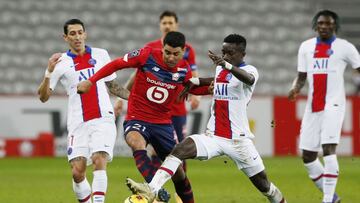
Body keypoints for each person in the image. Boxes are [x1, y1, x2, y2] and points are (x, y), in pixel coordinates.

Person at [126, 34, 287, 203]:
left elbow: (249, 79)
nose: (225, 56)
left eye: (230, 53)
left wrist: (225, 64)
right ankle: (152, 189)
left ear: (242, 54)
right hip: (214, 137)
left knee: (265, 186)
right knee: (179, 150)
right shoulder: (221, 69)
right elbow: (217, 80)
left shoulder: (249, 71)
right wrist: (195, 81)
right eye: (223, 52)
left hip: (239, 142)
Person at [77, 31, 210, 203]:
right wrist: (91, 81)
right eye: (167, 52)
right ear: (162, 48)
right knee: (135, 141)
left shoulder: (184, 69)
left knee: (179, 173)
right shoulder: (147, 55)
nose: (170, 57)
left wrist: (209, 90)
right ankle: (155, 189)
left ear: (183, 51)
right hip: (137, 117)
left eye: (175, 54)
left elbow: (192, 89)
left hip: (162, 123)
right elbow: (116, 64)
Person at [37, 19, 129, 203]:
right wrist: (48, 73)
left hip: (103, 116)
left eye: (80, 32)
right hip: (78, 121)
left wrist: (135, 99)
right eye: (72, 33)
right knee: (77, 172)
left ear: (85, 34)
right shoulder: (60, 62)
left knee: (98, 158)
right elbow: (43, 96)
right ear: (65, 37)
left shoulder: (101, 54)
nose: (77, 37)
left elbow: (113, 86)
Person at [114, 10, 200, 172]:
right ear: (160, 26)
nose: (167, 26)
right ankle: (155, 190)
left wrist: (195, 94)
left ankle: (177, 194)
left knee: (179, 150)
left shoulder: (187, 50)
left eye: (170, 23)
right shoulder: (150, 48)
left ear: (177, 25)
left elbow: (193, 75)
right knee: (154, 150)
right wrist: (121, 97)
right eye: (164, 23)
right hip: (152, 110)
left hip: (176, 107)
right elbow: (137, 75)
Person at [288, 10, 360, 203]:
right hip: (313, 106)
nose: (324, 26)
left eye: (328, 24)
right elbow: (302, 76)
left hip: (334, 104)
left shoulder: (345, 47)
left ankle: (327, 200)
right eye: (321, 23)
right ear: (316, 25)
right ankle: (334, 198)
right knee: (308, 157)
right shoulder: (306, 47)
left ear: (334, 25)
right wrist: (295, 89)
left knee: (329, 149)